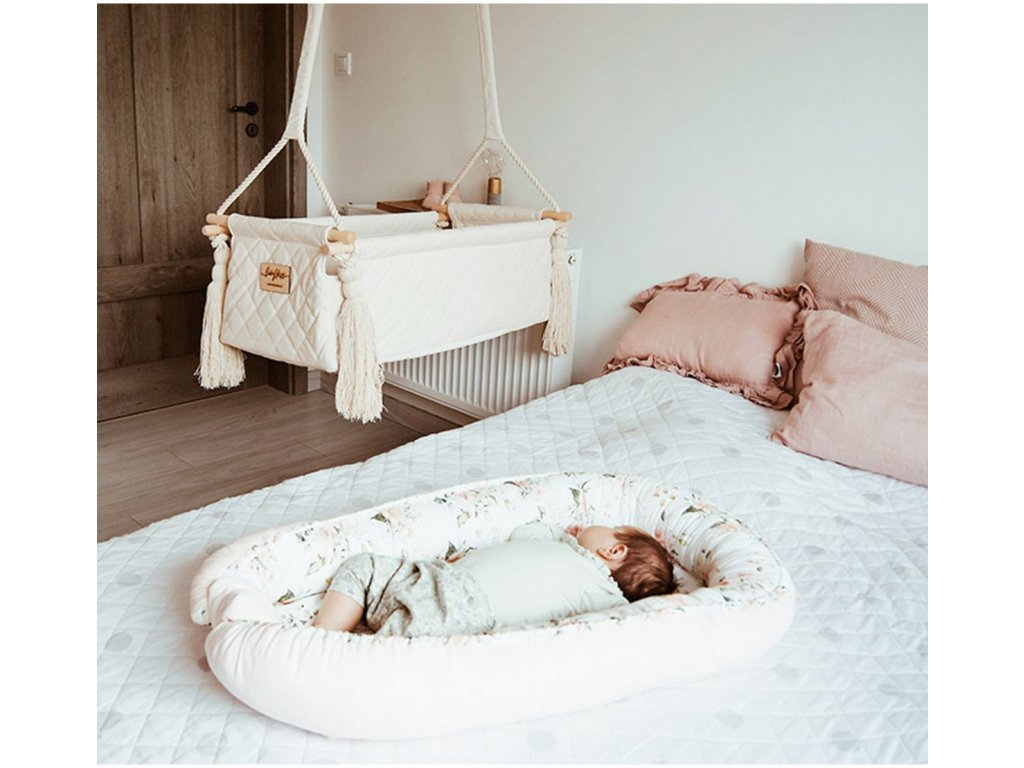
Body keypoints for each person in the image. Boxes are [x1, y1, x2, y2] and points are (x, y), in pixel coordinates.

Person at [312, 521, 675, 637]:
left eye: (611, 527)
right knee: (399, 642)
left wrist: (563, 533)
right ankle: (328, 643)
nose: (598, 524)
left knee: (364, 567)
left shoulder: (599, 589)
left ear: (614, 550)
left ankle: (324, 637)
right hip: (449, 593)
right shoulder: (601, 596)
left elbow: (529, 530)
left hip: (449, 598)